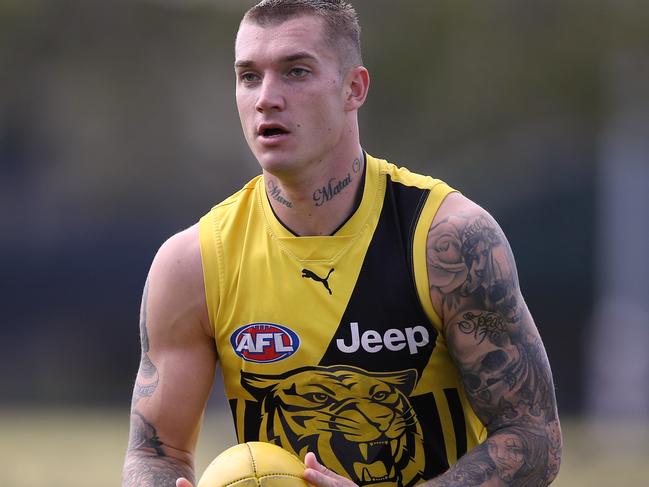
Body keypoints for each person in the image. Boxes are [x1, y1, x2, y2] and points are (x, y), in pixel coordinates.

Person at [122, 1, 562, 486]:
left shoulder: (449, 240)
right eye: (249, 76)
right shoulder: (195, 263)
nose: (267, 97)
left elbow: (532, 438)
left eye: (296, 71)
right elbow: (156, 453)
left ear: (354, 88)